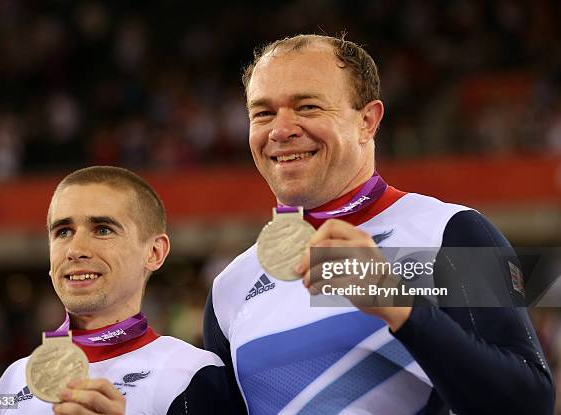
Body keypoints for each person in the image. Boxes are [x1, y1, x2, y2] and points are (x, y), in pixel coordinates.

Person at [203, 34, 555, 414]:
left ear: (367, 121)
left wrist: (398, 304)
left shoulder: (453, 233)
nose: (280, 129)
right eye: (263, 113)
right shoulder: (230, 286)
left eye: (307, 106)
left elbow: (529, 402)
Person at [0, 166, 233, 415]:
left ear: (154, 252)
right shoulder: (13, 380)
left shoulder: (190, 372)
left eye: (102, 230)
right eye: (63, 232)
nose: (75, 250)